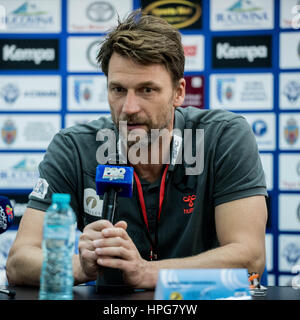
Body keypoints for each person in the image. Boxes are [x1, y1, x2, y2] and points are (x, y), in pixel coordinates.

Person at [6, 10, 268, 289]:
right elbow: (19, 262)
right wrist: (80, 266)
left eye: (147, 90)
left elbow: (250, 259)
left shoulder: (223, 137)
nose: (129, 108)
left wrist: (145, 272)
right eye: (118, 90)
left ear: (179, 92)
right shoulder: (74, 148)